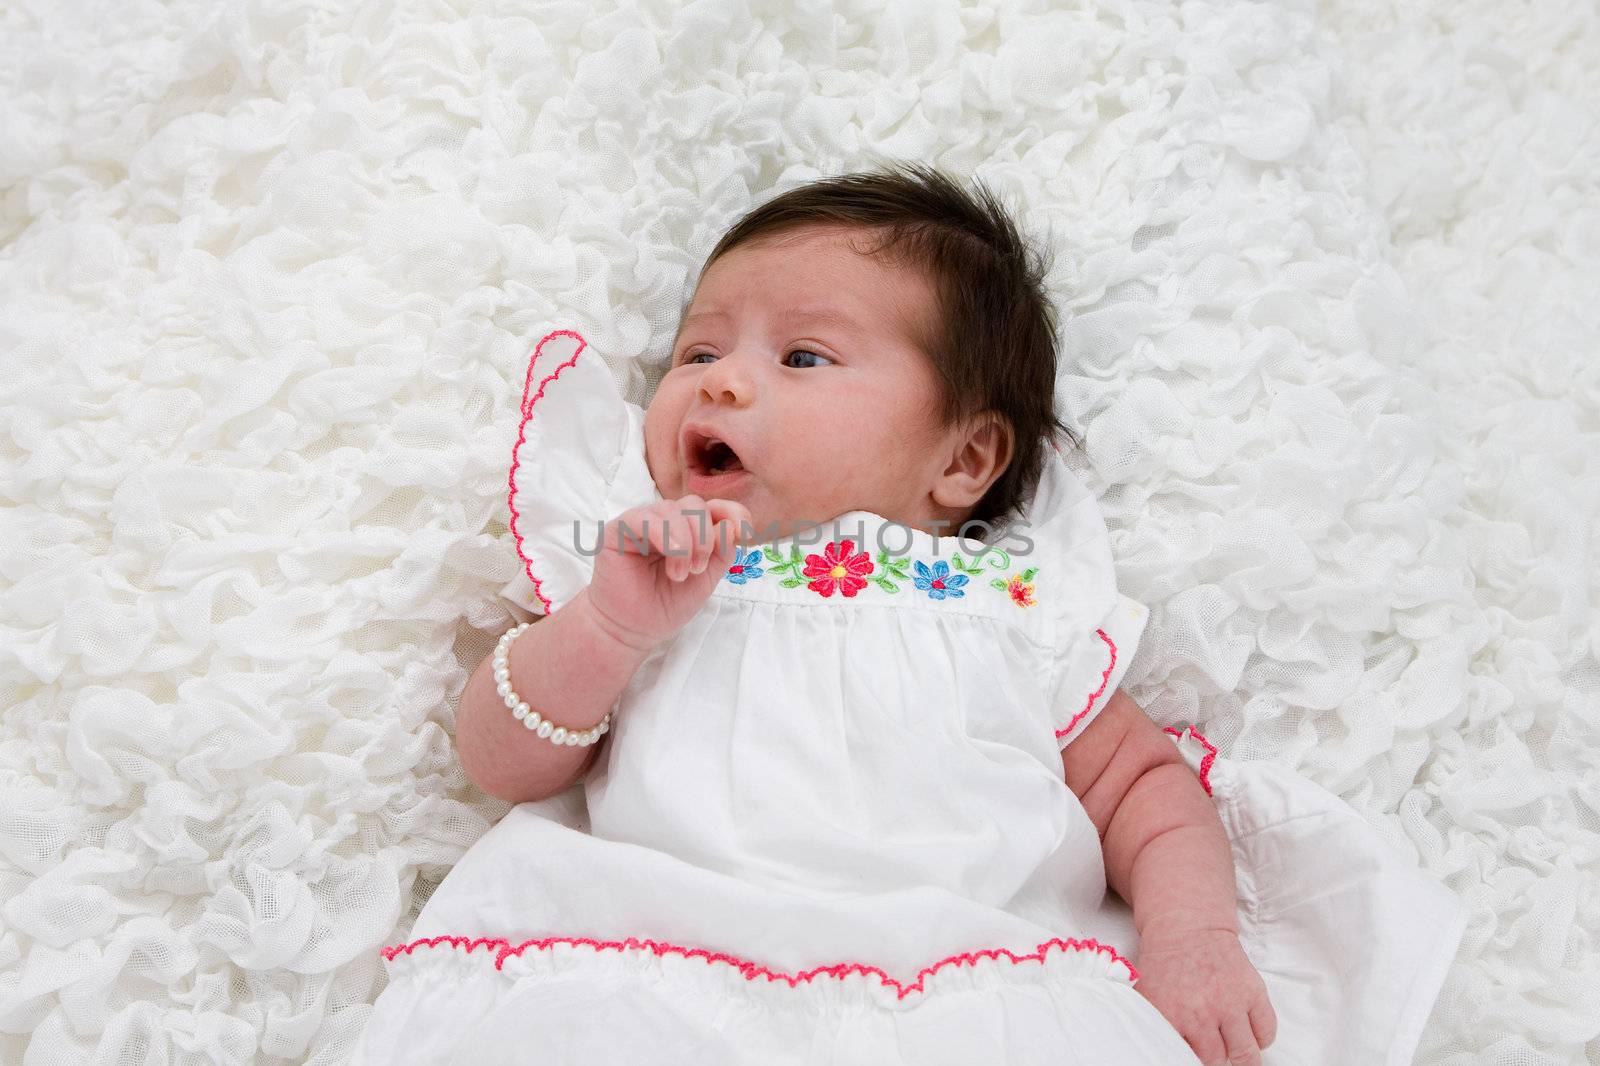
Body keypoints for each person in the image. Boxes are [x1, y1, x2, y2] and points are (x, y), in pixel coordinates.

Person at [350, 163, 1465, 1066]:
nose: (721, 382)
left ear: (965, 458)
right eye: (698, 352)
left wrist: (1193, 939)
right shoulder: (646, 565)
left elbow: (1146, 791)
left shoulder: (1009, 605)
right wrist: (608, 627)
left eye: (802, 356)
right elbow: (500, 760)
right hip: (655, 962)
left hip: (966, 984)